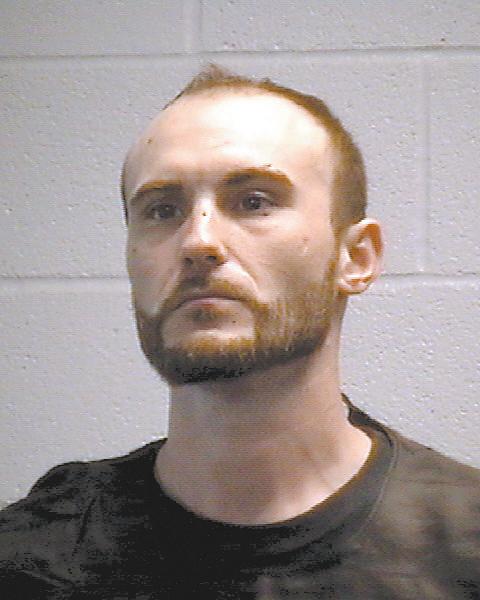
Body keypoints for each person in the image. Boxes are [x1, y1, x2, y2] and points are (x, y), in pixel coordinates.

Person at [1, 65, 479, 599]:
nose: (198, 241)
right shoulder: (34, 559)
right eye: (162, 210)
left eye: (254, 201)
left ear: (355, 257)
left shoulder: (463, 552)